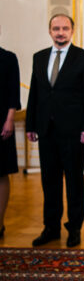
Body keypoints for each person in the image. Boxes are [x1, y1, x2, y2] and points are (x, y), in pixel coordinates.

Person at [26, 14, 84, 247]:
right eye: (56, 28)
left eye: (65, 28)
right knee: (50, 181)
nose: (60, 32)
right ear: (49, 31)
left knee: (75, 181)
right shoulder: (39, 57)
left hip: (74, 131)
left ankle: (74, 228)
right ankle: (51, 227)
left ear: (72, 31)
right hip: (46, 130)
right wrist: (30, 125)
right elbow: (34, 94)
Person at [0, 39, 20, 238]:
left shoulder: (8, 58)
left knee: (1, 172)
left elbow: (14, 94)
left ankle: (0, 223)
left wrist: (9, 120)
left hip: (1, 123)